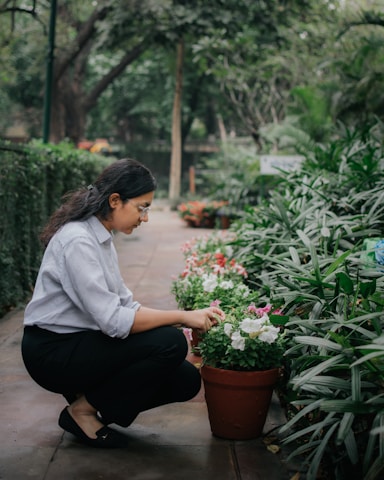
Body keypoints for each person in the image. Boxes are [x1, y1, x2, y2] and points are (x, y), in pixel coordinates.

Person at [21, 158, 225, 448]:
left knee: (185, 381)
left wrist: (187, 317)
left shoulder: (100, 237)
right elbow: (114, 322)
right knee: (171, 342)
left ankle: (90, 399)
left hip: (81, 341)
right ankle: (83, 411)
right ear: (115, 200)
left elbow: (126, 305)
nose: (145, 218)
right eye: (142, 207)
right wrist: (180, 317)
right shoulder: (78, 241)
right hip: (52, 352)